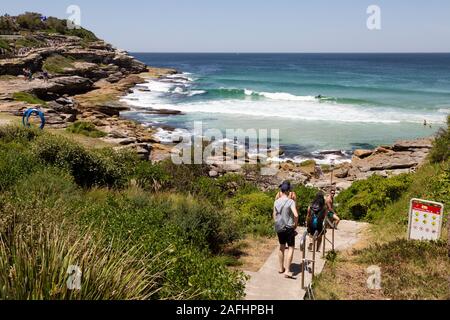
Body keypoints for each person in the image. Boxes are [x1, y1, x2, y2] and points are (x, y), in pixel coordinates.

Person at [273, 183, 299, 279]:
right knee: (291, 248)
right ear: (288, 191)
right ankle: (287, 270)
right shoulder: (291, 202)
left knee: (281, 247)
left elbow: (274, 215)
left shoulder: (276, 202)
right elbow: (295, 215)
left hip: (279, 227)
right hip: (289, 227)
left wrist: (277, 224)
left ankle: (281, 268)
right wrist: (295, 225)